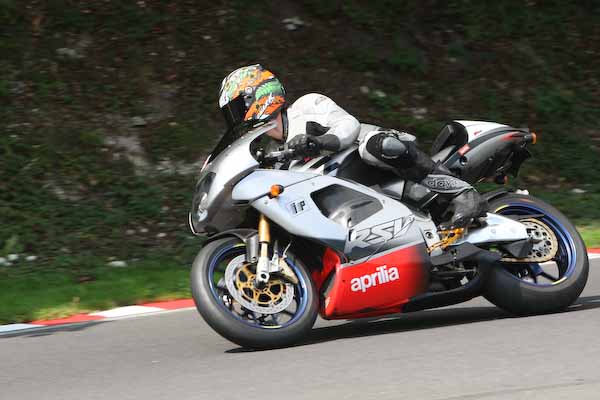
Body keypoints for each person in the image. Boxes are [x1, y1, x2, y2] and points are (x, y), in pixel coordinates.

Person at [218, 64, 487, 230]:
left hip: (376, 158)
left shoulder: (306, 107)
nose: (236, 118)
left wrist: (318, 142)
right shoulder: (274, 155)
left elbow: (348, 125)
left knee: (376, 146)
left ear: (260, 95)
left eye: (238, 108)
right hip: (356, 206)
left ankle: (462, 194)